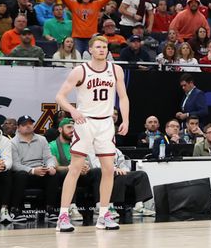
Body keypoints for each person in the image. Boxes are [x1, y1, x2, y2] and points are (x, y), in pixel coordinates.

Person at [54, 34, 131, 232]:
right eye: (98, 47)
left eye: (104, 47)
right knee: (75, 168)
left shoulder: (116, 70)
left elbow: (123, 97)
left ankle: (104, 214)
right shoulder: (81, 70)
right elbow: (60, 96)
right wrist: (72, 110)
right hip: (85, 122)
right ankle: (63, 215)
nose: (102, 50)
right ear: (90, 50)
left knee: (108, 169)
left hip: (105, 123)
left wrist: (126, 119)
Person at [10, 115, 60, 220]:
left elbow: (48, 157)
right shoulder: (13, 143)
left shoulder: (42, 139)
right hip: (25, 172)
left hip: (41, 171)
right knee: (20, 175)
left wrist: (50, 167)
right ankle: (15, 210)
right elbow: (15, 165)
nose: (28, 126)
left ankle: (50, 209)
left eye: (30, 123)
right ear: (18, 128)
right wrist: (32, 171)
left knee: (54, 174)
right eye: (24, 124)